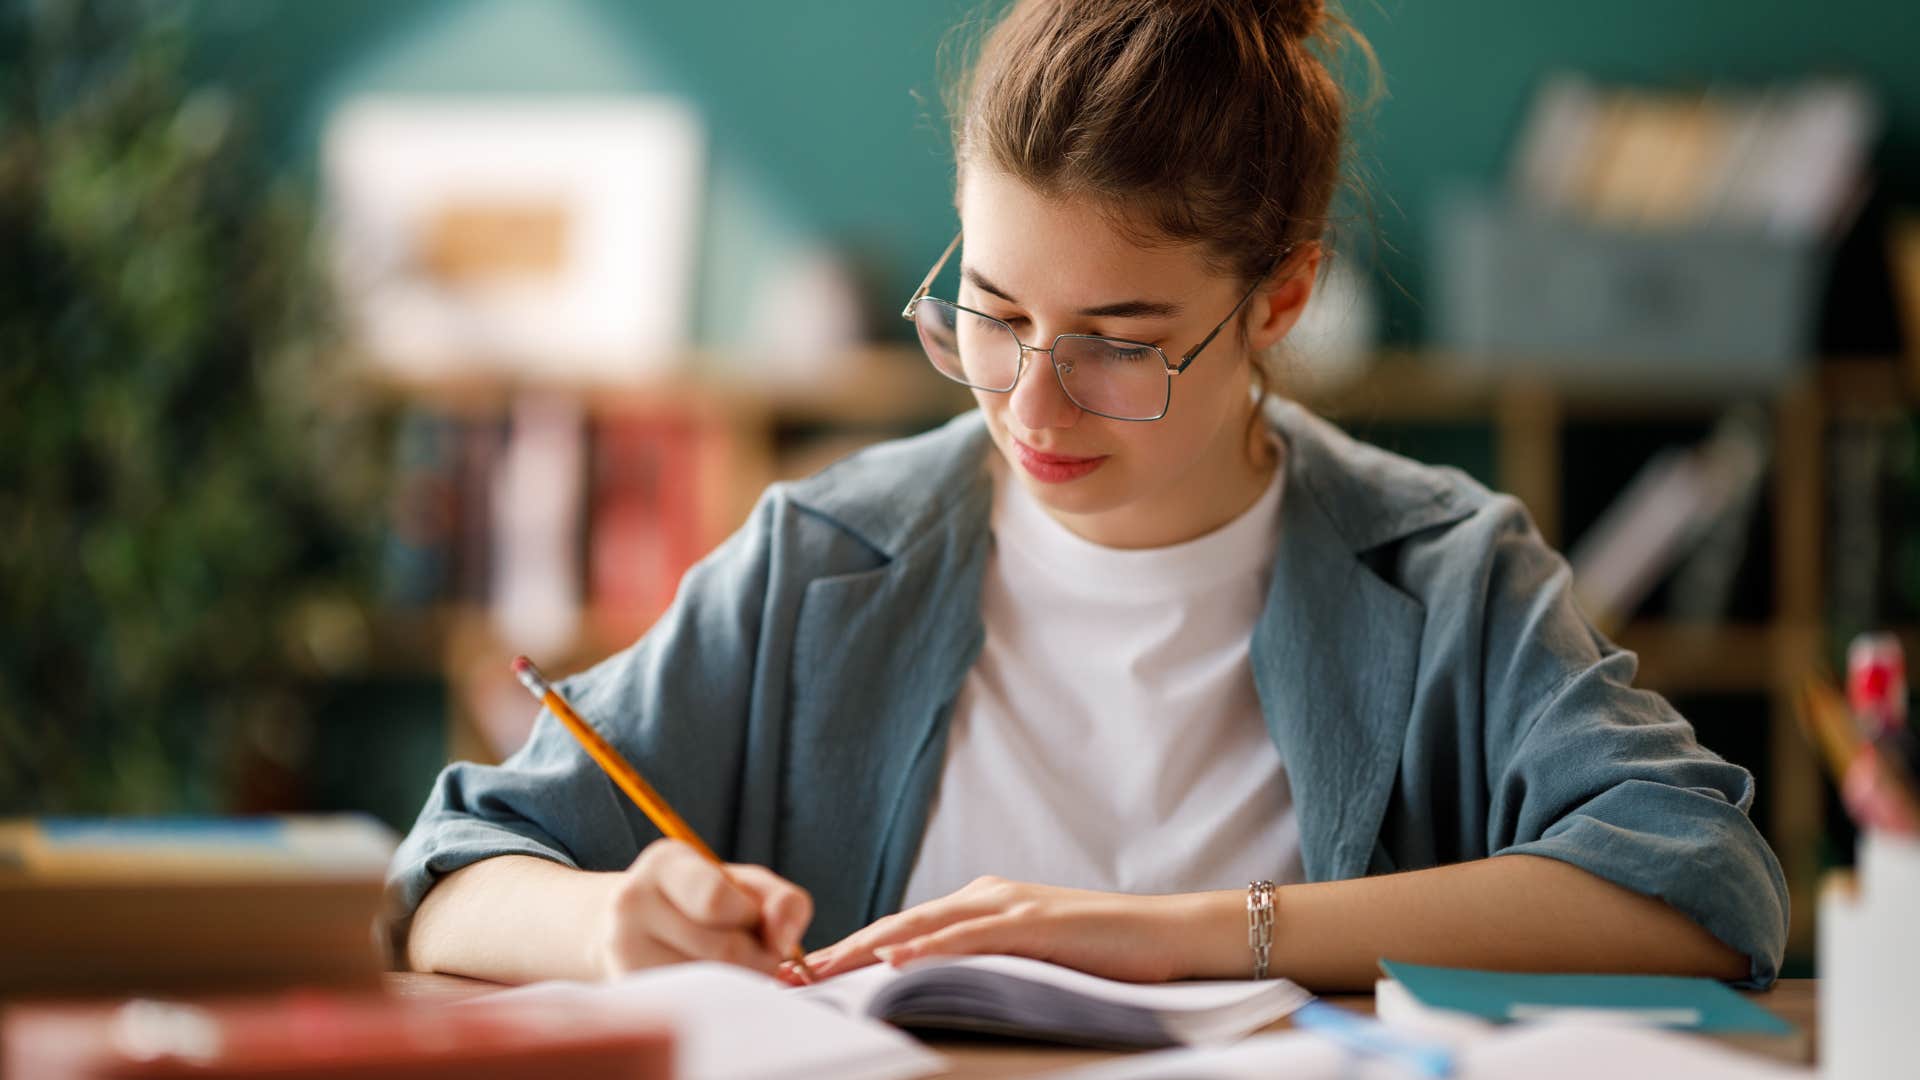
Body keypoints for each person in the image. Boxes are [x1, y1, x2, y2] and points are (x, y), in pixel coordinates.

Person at [390, 0, 1788, 992]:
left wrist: (1195, 931)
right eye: (990, 314)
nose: (1030, 406)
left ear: (1280, 297)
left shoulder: (1446, 574)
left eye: (1119, 346)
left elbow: (1704, 884)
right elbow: (450, 873)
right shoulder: (823, 560)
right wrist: (616, 925)